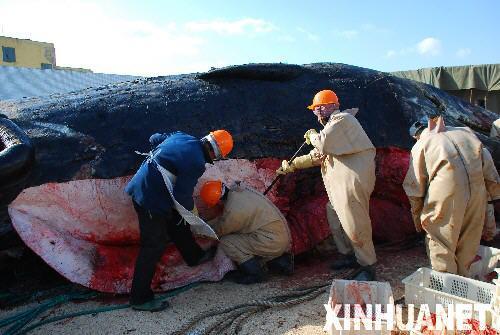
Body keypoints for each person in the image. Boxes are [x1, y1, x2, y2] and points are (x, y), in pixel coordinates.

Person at [125, 130, 233, 311]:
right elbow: (182, 195)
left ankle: (193, 255)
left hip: (144, 187)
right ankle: (139, 298)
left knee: (176, 220)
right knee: (153, 246)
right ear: (216, 153)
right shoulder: (197, 162)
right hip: (149, 199)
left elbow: (154, 138)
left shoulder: (183, 136)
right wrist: (193, 215)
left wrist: (164, 160)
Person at [277, 89, 377, 281]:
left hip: (351, 181)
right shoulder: (333, 128)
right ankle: (349, 255)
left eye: (319, 107)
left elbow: (322, 144)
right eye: (315, 109)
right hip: (339, 185)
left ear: (332, 105)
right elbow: (318, 155)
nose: (317, 112)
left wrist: (314, 135)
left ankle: (368, 265)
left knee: (355, 222)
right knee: (335, 215)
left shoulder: (342, 120)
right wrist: (292, 165)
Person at [403, 116, 500, 276]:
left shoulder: (422, 144)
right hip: (477, 192)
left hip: (446, 194)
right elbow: (488, 168)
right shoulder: (466, 133)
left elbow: (414, 187)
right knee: (468, 241)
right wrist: (494, 195)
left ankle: (446, 286)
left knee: (440, 243)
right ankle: (463, 282)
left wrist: (418, 218)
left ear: (417, 135)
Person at [199, 180, 293, 284]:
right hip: (279, 236)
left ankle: (255, 274)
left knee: (227, 242)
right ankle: (279, 261)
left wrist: (202, 230)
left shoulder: (234, 211)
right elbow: (226, 219)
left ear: (217, 201)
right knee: (241, 237)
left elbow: (220, 231)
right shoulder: (240, 191)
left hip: (272, 241)